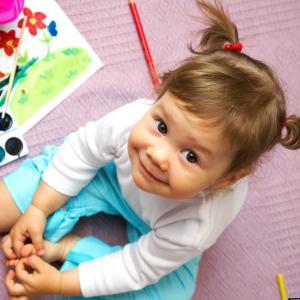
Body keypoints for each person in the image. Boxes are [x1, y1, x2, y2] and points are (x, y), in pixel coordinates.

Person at [1, 0, 300, 299]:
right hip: (109, 178)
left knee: (171, 291)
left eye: (191, 156)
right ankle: (57, 213)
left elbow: (135, 268)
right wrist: (39, 209)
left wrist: (58, 284)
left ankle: (68, 247)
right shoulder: (131, 120)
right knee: (52, 172)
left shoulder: (196, 225)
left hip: (161, 232)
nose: (157, 155)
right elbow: (81, 153)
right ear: (160, 94)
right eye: (161, 127)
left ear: (227, 178)